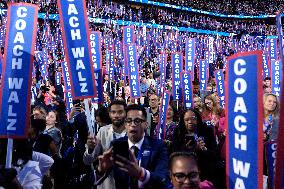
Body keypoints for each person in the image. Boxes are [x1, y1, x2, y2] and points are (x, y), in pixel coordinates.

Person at [96, 104, 169, 189]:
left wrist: (141, 174)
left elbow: (163, 180)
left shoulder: (158, 146)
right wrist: (101, 170)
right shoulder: (117, 145)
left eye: (137, 121)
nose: (133, 124)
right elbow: (95, 181)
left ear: (145, 124)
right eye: (129, 121)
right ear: (125, 124)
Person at [83, 100, 128, 189]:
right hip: (108, 184)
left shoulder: (133, 131)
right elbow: (87, 161)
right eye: (113, 112)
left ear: (126, 113)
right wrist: (90, 149)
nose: (116, 115)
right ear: (109, 114)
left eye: (120, 112)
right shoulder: (103, 131)